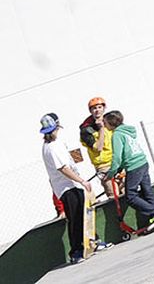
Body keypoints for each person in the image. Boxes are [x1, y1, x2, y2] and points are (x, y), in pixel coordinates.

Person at [101, 111, 154, 233]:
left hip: (134, 166)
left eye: (105, 122)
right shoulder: (128, 131)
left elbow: (117, 157)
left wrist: (110, 173)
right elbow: (127, 152)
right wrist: (119, 169)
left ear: (111, 123)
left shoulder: (117, 134)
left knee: (131, 196)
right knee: (147, 191)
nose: (104, 125)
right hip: (143, 162)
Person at [40, 113, 95, 265]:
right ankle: (75, 251)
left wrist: (80, 175)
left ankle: (91, 241)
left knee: (84, 215)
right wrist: (82, 180)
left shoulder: (58, 142)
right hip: (65, 187)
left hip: (73, 185)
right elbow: (63, 168)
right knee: (75, 218)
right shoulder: (50, 148)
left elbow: (70, 159)